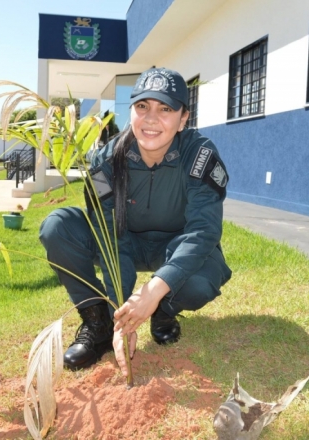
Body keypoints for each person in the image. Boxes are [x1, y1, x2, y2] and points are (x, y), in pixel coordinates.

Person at [39, 67, 232, 376]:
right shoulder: (105, 161)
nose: (151, 118)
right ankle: (98, 324)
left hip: (176, 246)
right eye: (142, 106)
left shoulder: (200, 156)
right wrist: (121, 315)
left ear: (184, 118)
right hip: (125, 242)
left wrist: (152, 294)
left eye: (165, 109)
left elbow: (202, 231)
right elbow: (110, 238)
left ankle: (164, 312)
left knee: (200, 281)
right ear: (131, 111)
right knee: (57, 226)